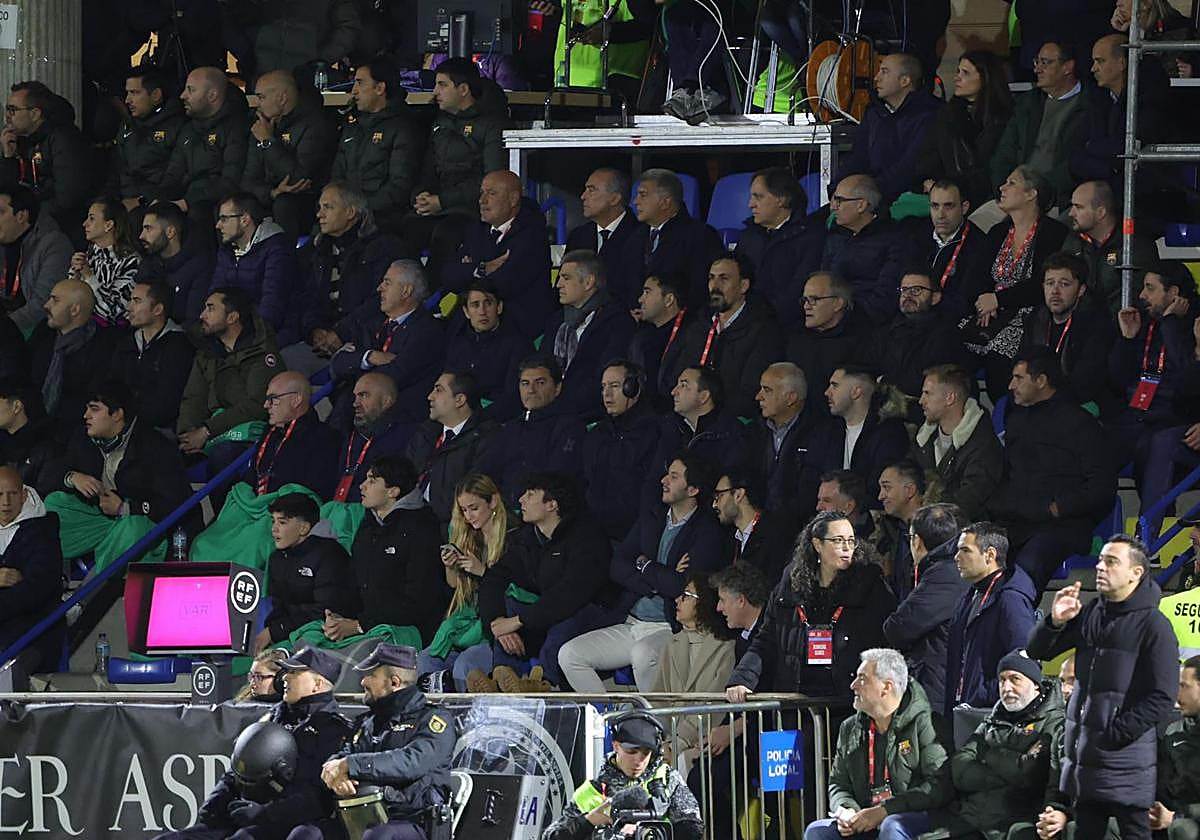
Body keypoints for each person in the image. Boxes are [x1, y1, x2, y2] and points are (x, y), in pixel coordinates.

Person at [1027, 535, 1180, 840]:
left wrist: (1112, 735)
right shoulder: (1093, 612)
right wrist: (1055, 621)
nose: (1100, 567)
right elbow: (1038, 651)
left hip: (1126, 762)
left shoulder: (1154, 625)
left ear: (1136, 573)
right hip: (1085, 761)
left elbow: (1162, 697)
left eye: (1111, 562)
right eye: (1100, 560)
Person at [559, 454, 729, 693]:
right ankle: (607, 715)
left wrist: (644, 564)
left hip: (668, 626)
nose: (664, 480)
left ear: (693, 490)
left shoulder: (707, 530)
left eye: (674, 477)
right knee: (570, 654)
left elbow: (682, 586)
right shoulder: (652, 517)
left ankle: (656, 719)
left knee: (642, 654)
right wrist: (658, 579)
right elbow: (618, 565)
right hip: (631, 621)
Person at [157, 646, 354, 840]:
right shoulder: (275, 716)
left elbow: (317, 799)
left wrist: (264, 813)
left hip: (287, 825)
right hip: (244, 817)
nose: (285, 677)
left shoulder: (334, 730)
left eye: (294, 672)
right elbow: (237, 770)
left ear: (317, 684)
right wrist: (216, 804)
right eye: (286, 671)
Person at [726, 511, 896, 702]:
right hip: (796, 701)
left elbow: (886, 643)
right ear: (817, 544)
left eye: (851, 541)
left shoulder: (870, 584)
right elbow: (766, 640)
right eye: (838, 540)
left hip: (849, 702)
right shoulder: (790, 583)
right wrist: (742, 679)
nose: (847, 548)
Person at [991, 348, 1117, 594]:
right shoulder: (1016, 421)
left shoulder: (1081, 423)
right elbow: (1005, 475)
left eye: (1018, 378)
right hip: (1014, 522)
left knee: (1027, 568)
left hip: (1062, 527)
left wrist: (1058, 507)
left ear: (1041, 380)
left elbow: (1102, 487)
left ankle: (1013, 615)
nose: (1010, 386)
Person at [469, 472, 611, 689]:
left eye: (530, 495)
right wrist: (497, 623)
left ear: (552, 504)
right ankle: (501, 679)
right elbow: (494, 578)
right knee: (509, 605)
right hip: (546, 617)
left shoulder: (586, 536)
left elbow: (571, 593)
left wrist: (519, 620)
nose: (521, 500)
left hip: (593, 616)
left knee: (568, 616)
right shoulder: (528, 538)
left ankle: (542, 683)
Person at [806, 648, 951, 840]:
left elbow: (939, 787)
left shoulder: (927, 724)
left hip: (918, 818)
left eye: (862, 679)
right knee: (817, 831)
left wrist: (885, 810)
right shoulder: (850, 728)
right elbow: (838, 783)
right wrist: (847, 810)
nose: (853, 685)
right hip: (869, 818)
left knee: (892, 826)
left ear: (886, 687)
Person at [45, 381, 192, 570]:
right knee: (55, 503)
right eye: (87, 409)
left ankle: (97, 587)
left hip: (143, 522)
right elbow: (49, 476)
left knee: (131, 528)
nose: (86, 415)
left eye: (94, 409)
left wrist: (125, 508)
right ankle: (48, 578)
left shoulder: (155, 446)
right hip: (101, 518)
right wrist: (72, 477)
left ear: (117, 414)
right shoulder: (83, 437)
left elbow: (176, 503)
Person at [925, 652, 1066, 840]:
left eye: (1015, 679)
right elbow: (959, 768)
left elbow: (1030, 774)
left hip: (1013, 826)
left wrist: (989, 755)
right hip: (970, 822)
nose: (1006, 687)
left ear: (1035, 685)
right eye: (1002, 680)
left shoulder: (1054, 722)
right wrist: (1009, 771)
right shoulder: (993, 719)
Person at [321, 643, 454, 840]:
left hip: (413, 821)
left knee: (378, 836)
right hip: (361, 816)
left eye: (370, 675)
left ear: (394, 682)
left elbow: (411, 762)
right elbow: (344, 754)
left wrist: (351, 765)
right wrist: (336, 773)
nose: (363, 682)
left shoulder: (433, 720)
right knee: (308, 833)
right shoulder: (367, 722)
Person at [961, 166, 1069, 402]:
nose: (1002, 188)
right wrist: (984, 302)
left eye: (1011, 183)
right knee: (951, 349)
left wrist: (998, 299)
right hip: (988, 314)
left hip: (1029, 317)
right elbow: (975, 278)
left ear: (1031, 193)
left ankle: (1008, 415)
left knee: (999, 361)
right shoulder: (998, 231)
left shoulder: (1053, 233)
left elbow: (1043, 283)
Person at [325, 456, 450, 649]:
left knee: (354, 657)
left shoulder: (422, 529)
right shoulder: (369, 525)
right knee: (307, 641)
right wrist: (337, 615)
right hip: (365, 624)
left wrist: (360, 625)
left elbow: (419, 602)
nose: (362, 486)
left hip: (407, 630)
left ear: (393, 491)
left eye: (372, 481)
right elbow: (353, 581)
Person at [1109, 264, 1196, 539]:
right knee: (1091, 443)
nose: (1142, 296)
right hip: (1140, 415)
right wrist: (1127, 339)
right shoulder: (1145, 322)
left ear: (1174, 293)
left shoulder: (1193, 324)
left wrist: (1170, 324)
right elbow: (1117, 380)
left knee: (1154, 444)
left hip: (1177, 419)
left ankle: (1147, 537)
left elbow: (1189, 378)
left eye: (1150, 288)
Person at [407, 57, 508, 276]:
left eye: (442, 85)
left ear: (463, 89)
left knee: (446, 235)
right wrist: (421, 195)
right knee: (402, 232)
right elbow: (428, 170)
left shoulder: (491, 125)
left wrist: (442, 201)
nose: (435, 92)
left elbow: (491, 181)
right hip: (438, 207)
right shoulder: (439, 124)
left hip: (471, 210)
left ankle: (431, 292)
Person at [329, 259, 445, 440]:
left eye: (387, 283)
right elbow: (337, 363)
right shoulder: (374, 325)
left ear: (406, 291)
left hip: (397, 422)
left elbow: (395, 375)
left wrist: (358, 367)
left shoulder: (426, 330)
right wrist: (369, 357)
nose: (379, 288)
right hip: (358, 416)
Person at [542, 712, 704, 840]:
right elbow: (551, 836)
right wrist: (588, 821)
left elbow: (693, 827)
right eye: (631, 751)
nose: (638, 761)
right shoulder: (591, 791)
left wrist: (648, 832)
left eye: (645, 753)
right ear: (616, 746)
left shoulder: (667, 778)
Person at [418, 473, 511, 693]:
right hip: (467, 624)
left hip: (495, 627)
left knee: (466, 665)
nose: (469, 516)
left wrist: (482, 571)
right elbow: (455, 587)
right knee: (424, 660)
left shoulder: (513, 538)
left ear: (493, 501)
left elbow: (514, 590)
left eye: (474, 508)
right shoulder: (468, 536)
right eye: (464, 510)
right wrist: (450, 566)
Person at [441, 170, 555, 343]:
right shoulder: (476, 230)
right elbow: (449, 277)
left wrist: (468, 271)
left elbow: (504, 283)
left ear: (513, 199)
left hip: (516, 330)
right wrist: (482, 268)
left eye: (492, 193)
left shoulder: (532, 235)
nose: (482, 200)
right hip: (472, 326)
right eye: (482, 193)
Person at [882, 502, 969, 718]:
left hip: (938, 691)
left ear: (917, 541)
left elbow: (898, 628)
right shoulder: (954, 569)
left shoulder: (943, 575)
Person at [176, 288, 278, 471]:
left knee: (224, 455)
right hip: (212, 432)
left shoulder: (261, 352)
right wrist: (188, 433)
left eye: (211, 308)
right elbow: (194, 398)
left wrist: (207, 430)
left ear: (232, 317)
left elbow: (257, 405)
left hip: (249, 435)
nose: (202, 315)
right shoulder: (206, 353)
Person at [302, 183, 406, 361]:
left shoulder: (384, 247)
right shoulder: (319, 250)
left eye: (328, 207)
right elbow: (308, 297)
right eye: (320, 207)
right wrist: (313, 330)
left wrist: (341, 332)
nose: (320, 214)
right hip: (321, 342)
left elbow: (380, 302)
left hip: (365, 342)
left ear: (350, 212)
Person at [943, 521, 1037, 717]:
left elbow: (1024, 661)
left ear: (990, 555)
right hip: (965, 711)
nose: (957, 557)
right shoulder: (971, 594)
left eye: (965, 550)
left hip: (990, 714)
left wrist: (982, 694)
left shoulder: (1010, 599)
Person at [991, 40, 1092, 212]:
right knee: (977, 222)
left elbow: (1078, 164)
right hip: (1014, 194)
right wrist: (1004, 190)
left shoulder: (1091, 106)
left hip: (1058, 199)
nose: (1037, 69)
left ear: (1067, 67)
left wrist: (1040, 192)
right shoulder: (1028, 103)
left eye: (1045, 62)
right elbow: (1004, 153)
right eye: (1036, 62)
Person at [240, 70, 336, 241]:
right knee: (230, 206)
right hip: (270, 196)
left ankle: (284, 257)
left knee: (284, 203)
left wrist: (268, 142)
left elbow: (300, 178)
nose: (257, 104)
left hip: (308, 201)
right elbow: (247, 181)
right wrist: (272, 193)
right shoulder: (261, 125)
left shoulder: (316, 124)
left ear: (282, 98)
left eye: (261, 97)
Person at [835, 53, 942, 206]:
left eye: (884, 72)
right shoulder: (874, 113)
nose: (876, 78)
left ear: (905, 81)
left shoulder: (929, 115)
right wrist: (836, 190)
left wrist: (869, 192)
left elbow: (909, 167)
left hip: (904, 198)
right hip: (866, 197)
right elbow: (857, 158)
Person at [478, 355, 586, 506]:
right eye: (525, 383)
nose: (531, 390)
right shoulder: (511, 428)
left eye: (540, 383)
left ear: (557, 388)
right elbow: (485, 471)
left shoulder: (569, 427)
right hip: (505, 511)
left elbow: (559, 478)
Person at [687, 252, 783, 418]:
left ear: (743, 286)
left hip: (734, 421)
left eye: (724, 279)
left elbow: (750, 392)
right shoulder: (698, 326)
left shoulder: (763, 331)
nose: (715, 286)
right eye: (711, 278)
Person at [1019, 250, 1117, 412]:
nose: (1055, 291)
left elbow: (1086, 381)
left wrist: (1044, 397)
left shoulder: (1095, 324)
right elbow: (1022, 364)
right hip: (1040, 397)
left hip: (1078, 401)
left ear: (1081, 290)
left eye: (1064, 284)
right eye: (1050, 283)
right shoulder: (1036, 319)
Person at [331, 57, 420, 233]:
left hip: (381, 218)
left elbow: (399, 187)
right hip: (348, 214)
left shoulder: (404, 126)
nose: (354, 91)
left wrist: (359, 209)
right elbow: (337, 175)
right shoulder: (352, 125)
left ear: (380, 88)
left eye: (360, 83)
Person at [914, 51, 1014, 208]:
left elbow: (998, 167)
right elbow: (929, 157)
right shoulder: (946, 115)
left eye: (965, 73)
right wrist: (933, 183)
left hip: (991, 199)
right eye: (958, 71)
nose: (957, 78)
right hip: (946, 196)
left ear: (985, 77)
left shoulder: (1005, 118)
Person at [258, 493, 356, 652]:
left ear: (304, 528)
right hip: (288, 633)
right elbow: (278, 607)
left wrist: (276, 631)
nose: (274, 529)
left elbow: (326, 610)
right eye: (273, 521)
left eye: (282, 522)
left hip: (327, 632)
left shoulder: (330, 553)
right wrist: (273, 630)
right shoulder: (276, 559)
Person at [544, 249, 635, 419]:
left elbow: (602, 379)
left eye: (566, 278)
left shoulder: (616, 323)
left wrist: (560, 407)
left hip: (588, 415)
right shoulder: (557, 321)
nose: (558, 284)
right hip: (552, 409)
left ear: (588, 282)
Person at [866, 265, 969, 416]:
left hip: (923, 413)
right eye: (904, 290)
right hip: (881, 409)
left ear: (935, 297)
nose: (907, 295)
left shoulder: (946, 335)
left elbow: (926, 382)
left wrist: (884, 380)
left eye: (916, 290)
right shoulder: (884, 332)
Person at [149, 67, 250, 218]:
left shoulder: (237, 128)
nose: (182, 96)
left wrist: (187, 202)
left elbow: (230, 182)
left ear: (212, 95)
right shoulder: (188, 129)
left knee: (198, 212)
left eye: (191, 90)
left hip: (215, 207)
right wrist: (160, 199)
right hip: (185, 200)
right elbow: (173, 175)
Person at [28, 279, 117, 442]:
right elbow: (23, 375)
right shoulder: (44, 331)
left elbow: (92, 399)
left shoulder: (102, 347)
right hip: (30, 421)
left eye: (55, 300)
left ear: (75, 310)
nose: (46, 305)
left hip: (73, 434)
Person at [583, 359, 662, 541]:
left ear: (633, 389)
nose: (607, 393)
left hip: (633, 533)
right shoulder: (597, 433)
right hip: (593, 530)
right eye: (603, 387)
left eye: (614, 386)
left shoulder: (653, 431)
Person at [911, 364, 1003, 521]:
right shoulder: (923, 439)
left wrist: (929, 516)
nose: (921, 401)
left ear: (950, 398)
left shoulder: (984, 445)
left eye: (927, 393)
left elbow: (970, 500)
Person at [406, 370, 497, 527]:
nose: (430, 396)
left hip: (452, 526)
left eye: (439, 390)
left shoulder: (486, 438)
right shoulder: (425, 434)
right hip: (411, 520)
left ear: (459, 400)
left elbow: (474, 492)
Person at [820, 174, 913, 326]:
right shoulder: (835, 238)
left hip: (868, 325)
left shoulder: (895, 240)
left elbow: (885, 297)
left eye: (839, 200)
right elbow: (821, 283)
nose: (833, 206)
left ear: (861, 205)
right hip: (830, 320)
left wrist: (842, 316)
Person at [736, 166, 824, 325]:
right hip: (747, 324)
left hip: (788, 327)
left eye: (758, 197)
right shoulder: (748, 237)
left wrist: (762, 319)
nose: (751, 204)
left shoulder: (810, 238)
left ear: (782, 199)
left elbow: (798, 292)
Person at [210, 192, 302, 344]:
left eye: (224, 219)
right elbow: (216, 294)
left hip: (273, 337)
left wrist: (243, 340)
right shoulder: (226, 250)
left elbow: (272, 306)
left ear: (245, 220)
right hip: (235, 332)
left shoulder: (277, 249)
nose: (218, 225)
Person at [745, 361, 831, 523]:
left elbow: (810, 489)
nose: (758, 397)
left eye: (767, 390)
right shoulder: (754, 432)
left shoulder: (820, 433)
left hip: (800, 525)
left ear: (791, 398)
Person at [0, 465, 63, 679]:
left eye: (12, 494)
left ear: (24, 495)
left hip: (33, 633)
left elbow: (36, 590)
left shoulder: (43, 532)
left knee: (11, 668)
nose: (6, 502)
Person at [0, 81, 89, 233]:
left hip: (61, 227)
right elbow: (9, 193)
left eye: (13, 110)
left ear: (35, 114)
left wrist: (29, 216)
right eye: (7, 110)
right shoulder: (18, 139)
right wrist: (8, 157)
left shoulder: (63, 139)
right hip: (28, 222)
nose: (7, 116)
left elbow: (67, 199)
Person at [109, 279, 196, 431]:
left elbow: (168, 401)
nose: (129, 307)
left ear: (157, 309)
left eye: (137, 301)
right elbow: (111, 386)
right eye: (130, 300)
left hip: (155, 430)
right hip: (119, 422)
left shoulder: (178, 346)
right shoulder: (126, 343)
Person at [631, 168, 723, 309]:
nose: (635, 202)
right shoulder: (635, 236)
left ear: (665, 202)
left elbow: (700, 290)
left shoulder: (700, 236)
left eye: (643, 195)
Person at [1063, 179, 1157, 315]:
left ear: (1101, 212)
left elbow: (1141, 298)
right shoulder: (1072, 243)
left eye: (1078, 207)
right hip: (1081, 324)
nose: (1071, 213)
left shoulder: (1135, 246)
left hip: (1122, 324)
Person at [442, 281, 528, 421]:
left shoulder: (516, 345)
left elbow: (514, 397)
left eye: (488, 303)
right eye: (475, 305)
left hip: (495, 421)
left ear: (499, 307)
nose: (482, 311)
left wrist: (475, 419)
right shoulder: (457, 342)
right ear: (466, 312)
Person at [824, 365, 911, 501]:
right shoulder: (829, 432)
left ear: (856, 392)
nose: (827, 392)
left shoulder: (890, 433)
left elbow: (879, 489)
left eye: (835, 386)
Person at [785, 271, 870, 408]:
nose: (806, 306)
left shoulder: (862, 341)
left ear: (838, 303)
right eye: (805, 300)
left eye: (814, 299)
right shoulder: (796, 336)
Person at [565, 168, 646, 310]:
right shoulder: (578, 236)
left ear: (614, 199)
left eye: (591, 190)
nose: (583, 196)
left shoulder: (641, 234)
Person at [250, 372, 340, 499]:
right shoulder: (270, 432)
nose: (266, 405)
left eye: (273, 399)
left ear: (296, 400)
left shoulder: (325, 438)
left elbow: (313, 493)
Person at [108, 66, 185, 212]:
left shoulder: (179, 126)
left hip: (157, 206)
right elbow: (117, 171)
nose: (127, 100)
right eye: (127, 93)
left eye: (135, 93)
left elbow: (174, 177)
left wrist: (142, 200)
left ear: (156, 95)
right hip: (123, 202)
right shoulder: (127, 126)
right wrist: (106, 201)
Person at [650, 366, 746, 483]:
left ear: (704, 396)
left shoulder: (730, 435)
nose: (673, 392)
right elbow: (653, 480)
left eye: (683, 385)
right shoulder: (671, 426)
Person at [0, 185, 72, 334]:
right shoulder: (5, 239)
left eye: (0, 212)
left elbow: (43, 305)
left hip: (34, 329)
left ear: (21, 216)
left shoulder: (55, 245)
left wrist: (6, 327)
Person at [627, 273, 704, 410]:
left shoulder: (693, 333)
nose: (640, 299)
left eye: (647, 292)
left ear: (669, 300)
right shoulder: (641, 337)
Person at [334, 372, 412, 504]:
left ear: (386, 401)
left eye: (364, 395)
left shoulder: (405, 436)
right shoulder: (353, 434)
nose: (355, 403)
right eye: (355, 396)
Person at [711, 468, 798, 585]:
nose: (714, 504)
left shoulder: (776, 534)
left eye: (719, 495)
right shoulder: (731, 541)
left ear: (738, 495)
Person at [136, 201, 214, 324]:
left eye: (148, 229)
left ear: (170, 232)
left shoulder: (200, 265)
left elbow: (194, 319)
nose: (141, 236)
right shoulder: (148, 265)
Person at [68, 196, 141, 327]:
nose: (85, 224)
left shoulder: (131, 262)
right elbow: (68, 300)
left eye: (92, 218)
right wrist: (75, 276)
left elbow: (112, 311)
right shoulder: (88, 255)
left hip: (110, 332)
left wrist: (89, 276)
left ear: (108, 225)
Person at [921, 179, 988, 322]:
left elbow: (968, 301)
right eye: (935, 206)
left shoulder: (979, 246)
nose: (940, 215)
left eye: (948, 206)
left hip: (949, 322)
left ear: (964, 207)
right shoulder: (917, 235)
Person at [1151, 655, 1200, 839]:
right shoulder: (1172, 731)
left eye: (1184, 686)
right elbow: (1164, 786)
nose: (1177, 695)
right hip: (1170, 819)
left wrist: (1176, 816)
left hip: (1187, 822)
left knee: (1183, 829)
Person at [251, 0, 362, 76]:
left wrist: (320, 61)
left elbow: (348, 27)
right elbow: (245, 21)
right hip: (262, 75)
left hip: (308, 78)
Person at [876, 461, 926, 598]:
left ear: (910, 490)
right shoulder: (889, 533)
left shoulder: (936, 533)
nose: (880, 496)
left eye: (887, 487)